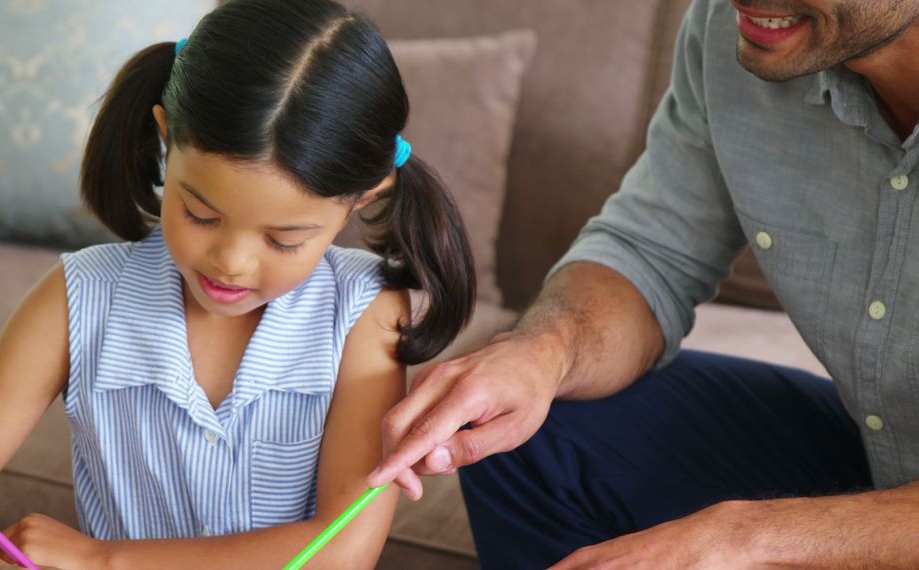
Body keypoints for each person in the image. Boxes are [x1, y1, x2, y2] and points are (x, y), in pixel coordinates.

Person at [0, 0, 476, 568]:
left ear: (360, 199)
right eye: (201, 214)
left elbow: (340, 552)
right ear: (166, 139)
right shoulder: (77, 299)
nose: (232, 263)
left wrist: (103, 560)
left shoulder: (364, 314)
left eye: (283, 240)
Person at [367, 0, 919, 567]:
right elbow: (651, 253)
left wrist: (748, 538)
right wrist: (542, 354)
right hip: (875, 452)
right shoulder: (737, 33)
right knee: (524, 426)